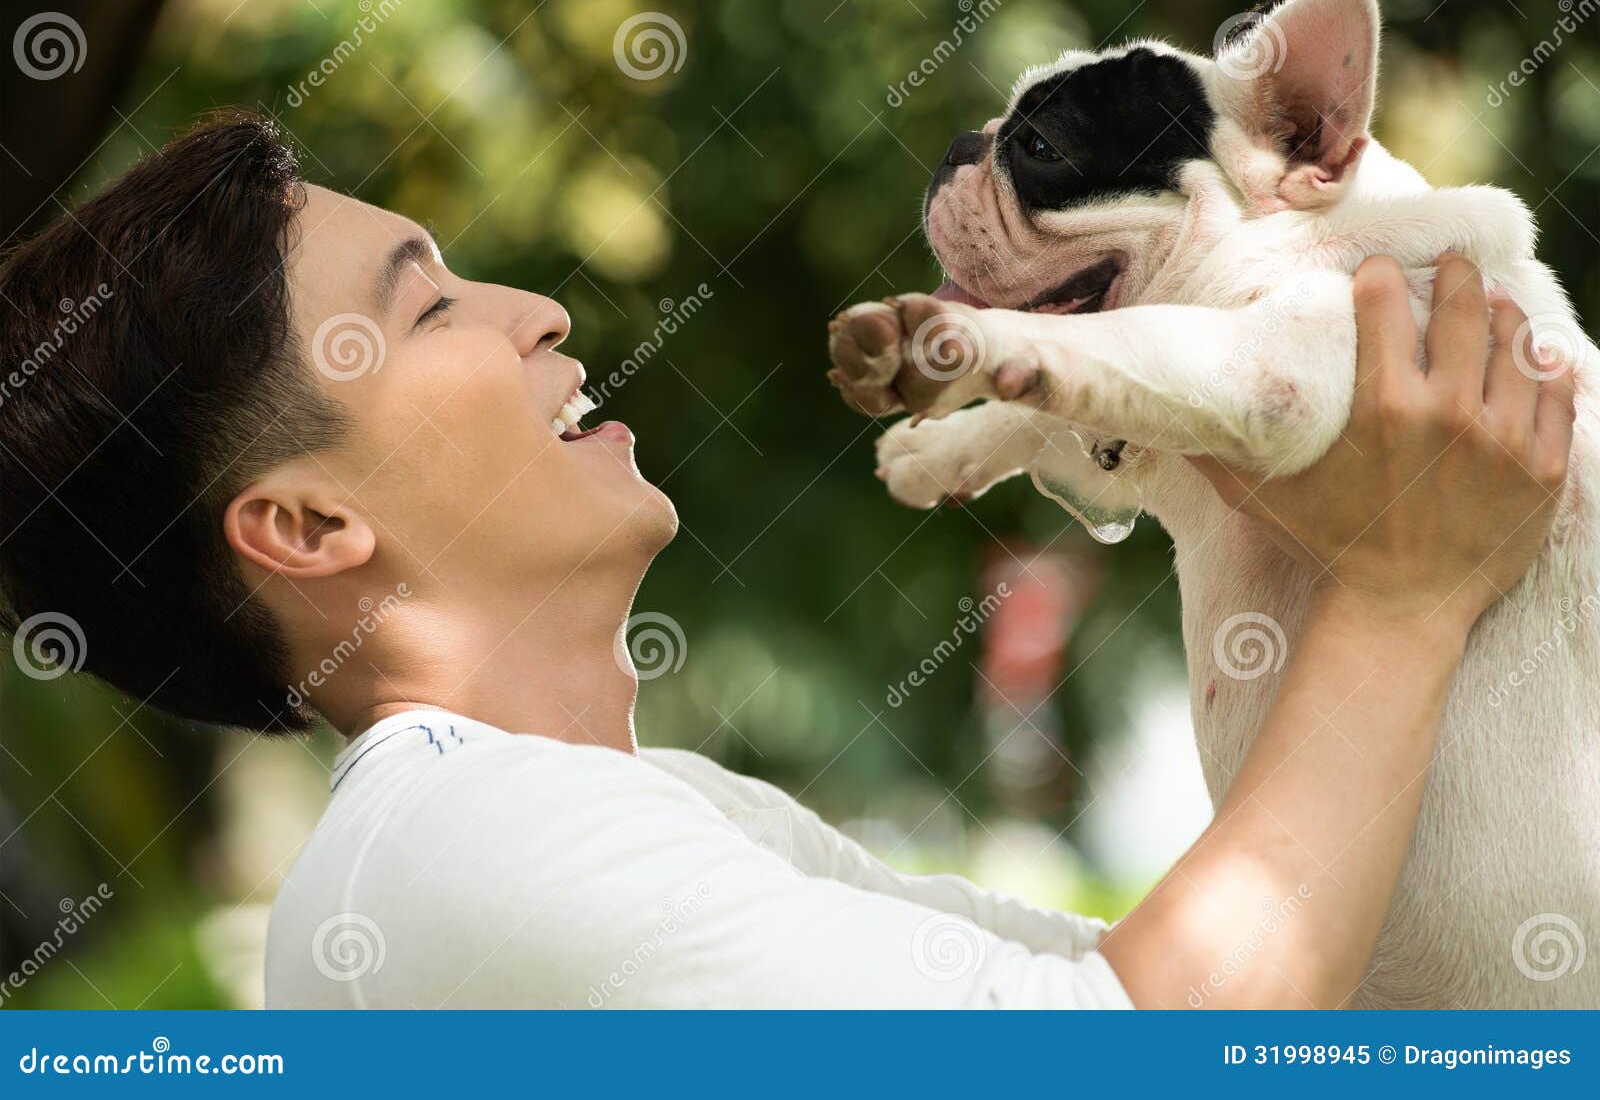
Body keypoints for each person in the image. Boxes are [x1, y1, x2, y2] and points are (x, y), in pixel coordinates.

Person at [0, 113, 1574, 1008]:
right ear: (309, 529)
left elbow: (1150, 977)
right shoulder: (459, 842)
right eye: (428, 309)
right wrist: (1402, 592)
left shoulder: (636, 814)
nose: (535, 309)